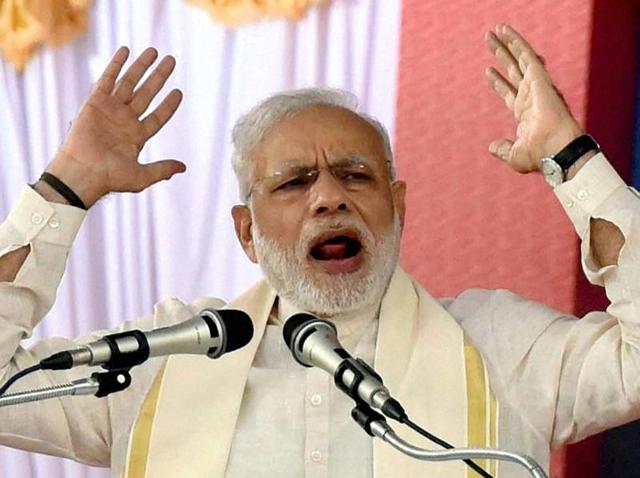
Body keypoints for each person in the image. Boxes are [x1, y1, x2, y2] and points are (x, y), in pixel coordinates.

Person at [0, 24, 636, 478]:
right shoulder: (162, 359)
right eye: (294, 181)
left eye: (356, 175)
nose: (329, 197)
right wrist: (66, 186)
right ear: (246, 232)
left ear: (399, 206)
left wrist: (570, 158)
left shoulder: (499, 347)